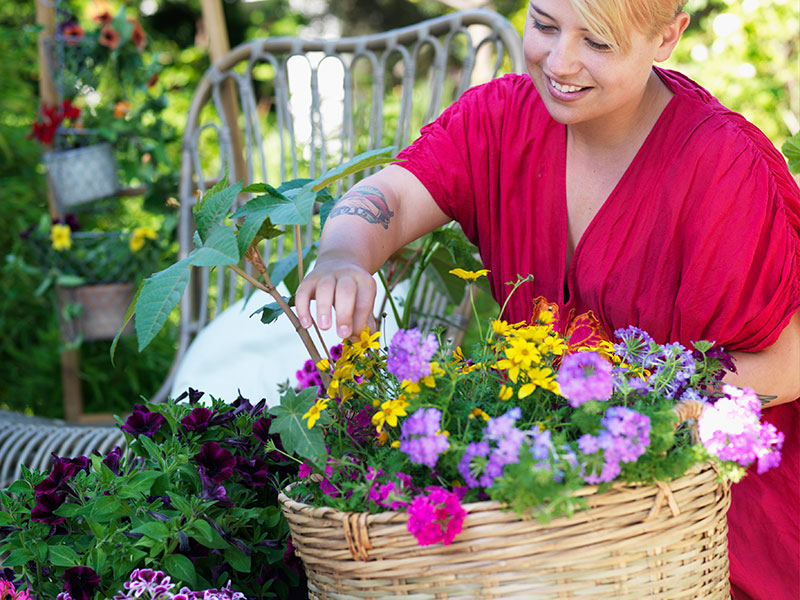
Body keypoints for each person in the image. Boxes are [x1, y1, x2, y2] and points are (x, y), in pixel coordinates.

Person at [294, 0, 800, 597]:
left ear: (668, 36)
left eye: (599, 42)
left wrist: (631, 408)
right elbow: (395, 197)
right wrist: (344, 256)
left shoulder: (721, 166)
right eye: (544, 24)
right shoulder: (503, 117)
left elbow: (787, 364)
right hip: (556, 521)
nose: (559, 62)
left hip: (711, 527)